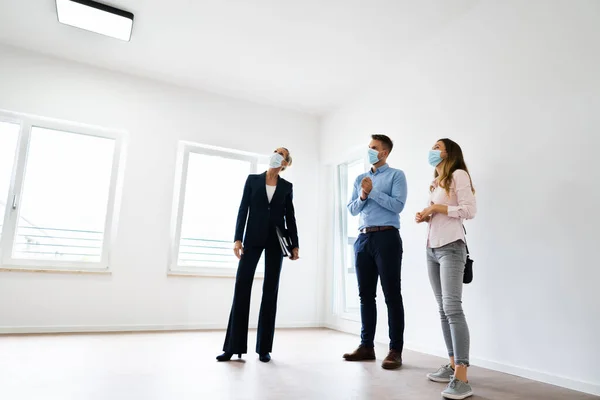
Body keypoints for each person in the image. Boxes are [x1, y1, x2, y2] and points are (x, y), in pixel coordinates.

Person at [216, 147, 299, 363]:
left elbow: (290, 217)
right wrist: (237, 238)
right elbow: (243, 209)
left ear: (285, 163)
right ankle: (233, 347)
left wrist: (294, 245)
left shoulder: (287, 187)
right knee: (242, 286)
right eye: (275, 151)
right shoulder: (252, 180)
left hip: (277, 241)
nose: (276, 155)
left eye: (281, 154)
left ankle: (264, 348)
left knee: (270, 291)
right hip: (252, 239)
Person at [415, 138, 477, 399]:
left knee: (452, 307)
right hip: (432, 248)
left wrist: (437, 207)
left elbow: (469, 210)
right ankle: (452, 363)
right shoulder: (436, 182)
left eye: (437, 146)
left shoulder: (458, 174)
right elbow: (442, 211)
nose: (433, 150)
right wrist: (427, 213)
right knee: (442, 309)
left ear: (449, 152)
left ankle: (462, 376)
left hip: (451, 247)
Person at [343, 134, 407, 370]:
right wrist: (362, 194)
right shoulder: (360, 178)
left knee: (392, 295)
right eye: (369, 147)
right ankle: (366, 346)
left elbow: (398, 205)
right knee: (365, 296)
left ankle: (395, 350)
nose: (370, 151)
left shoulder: (396, 175)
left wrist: (373, 193)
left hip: (387, 237)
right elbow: (351, 209)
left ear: (385, 153)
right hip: (363, 238)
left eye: (374, 148)